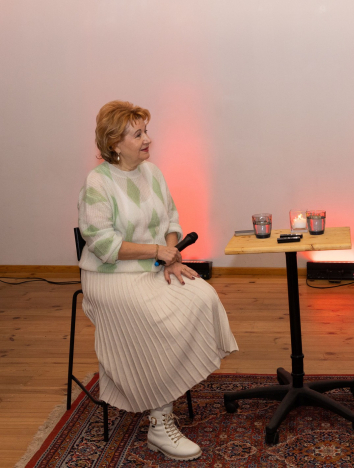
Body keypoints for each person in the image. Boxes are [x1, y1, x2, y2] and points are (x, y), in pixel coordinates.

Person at [78, 100, 238, 461]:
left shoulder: (152, 173)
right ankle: (160, 422)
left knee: (202, 295)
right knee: (157, 317)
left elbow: (171, 221)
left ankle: (168, 385)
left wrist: (171, 255)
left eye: (146, 131)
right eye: (138, 134)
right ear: (115, 143)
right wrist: (157, 252)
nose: (148, 139)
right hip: (109, 277)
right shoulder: (97, 182)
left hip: (153, 267)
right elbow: (103, 244)